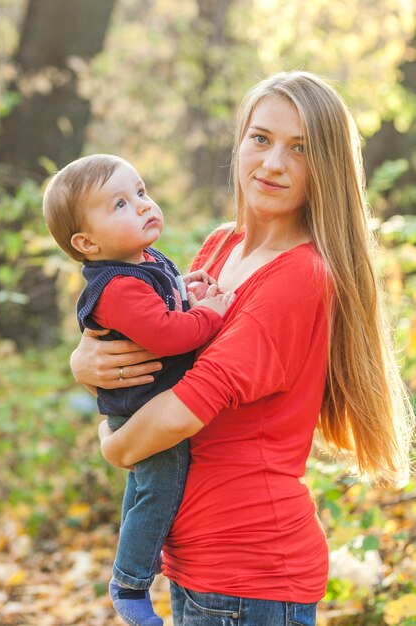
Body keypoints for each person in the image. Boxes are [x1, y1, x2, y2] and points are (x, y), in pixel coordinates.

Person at [70, 71, 414, 626]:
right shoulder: (221, 244)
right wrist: (84, 360)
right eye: (261, 138)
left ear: (325, 166)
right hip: (196, 565)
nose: (272, 163)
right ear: (239, 144)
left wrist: (112, 444)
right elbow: (154, 348)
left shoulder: (301, 277)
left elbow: (184, 408)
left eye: (299, 149)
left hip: (248, 574)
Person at [42, 153, 235, 626]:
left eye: (142, 193)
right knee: (159, 487)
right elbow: (169, 334)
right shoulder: (115, 286)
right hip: (143, 412)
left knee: (144, 487)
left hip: (149, 405)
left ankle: (128, 573)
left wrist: (185, 289)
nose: (145, 206)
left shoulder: (142, 259)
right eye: (121, 205)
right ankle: (130, 583)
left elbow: (163, 301)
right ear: (87, 242)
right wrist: (210, 314)